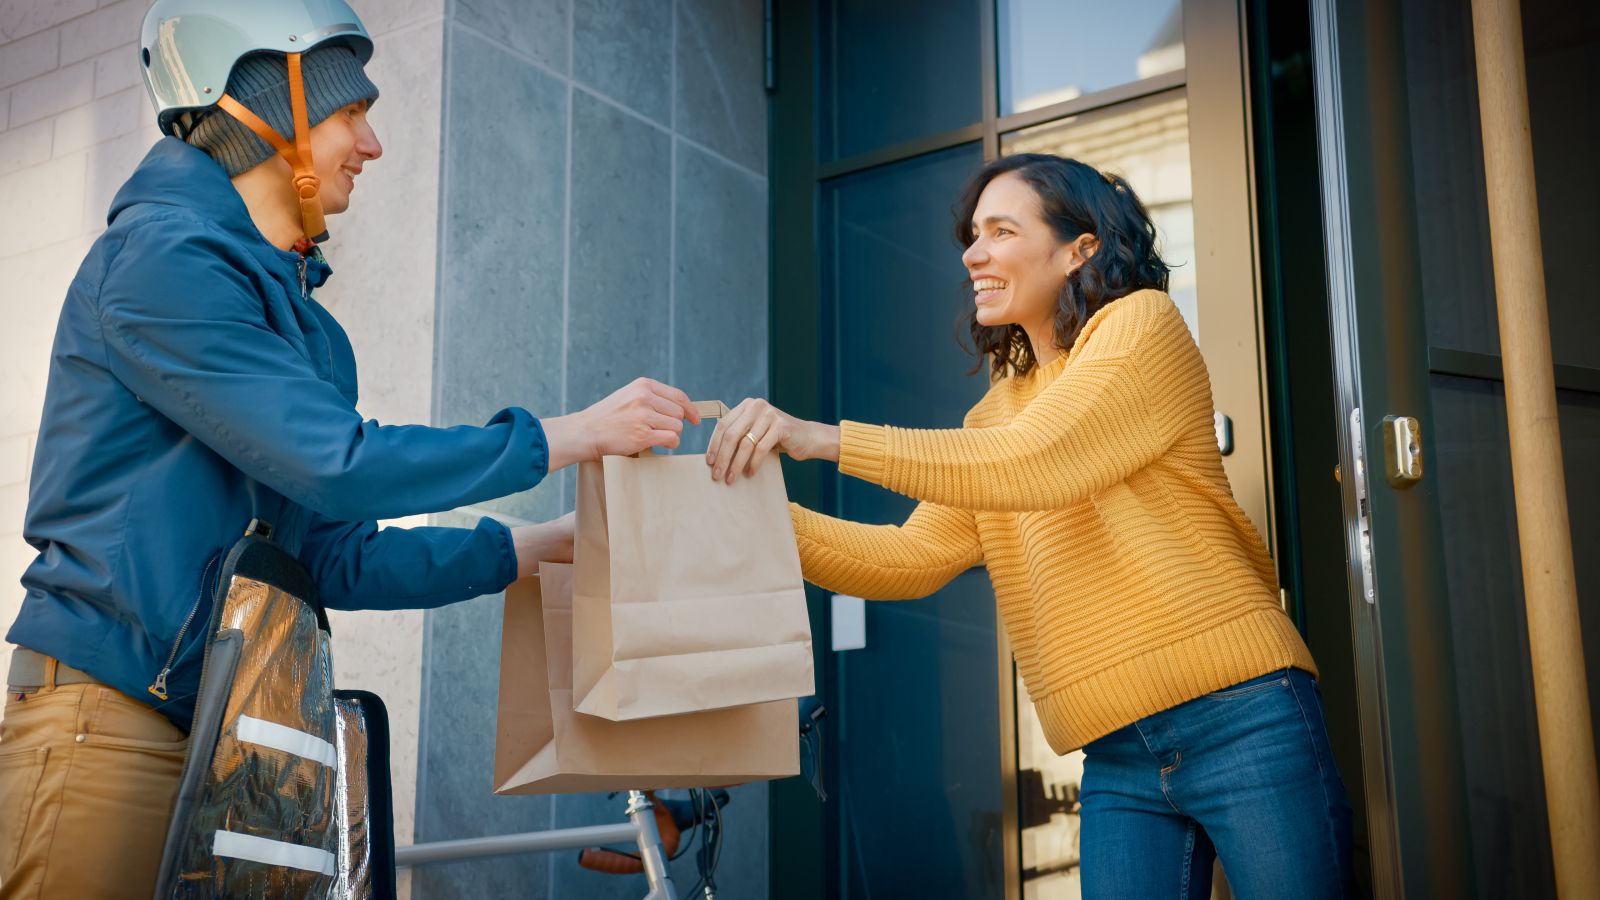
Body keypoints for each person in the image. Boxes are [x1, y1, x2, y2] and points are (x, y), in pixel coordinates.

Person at [0, 2, 699, 898]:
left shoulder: (307, 332)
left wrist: (536, 546)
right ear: (267, 107)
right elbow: (339, 459)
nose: (372, 145)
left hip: (229, 736)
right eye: (349, 114)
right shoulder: (158, 263)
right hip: (111, 721)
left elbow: (331, 554)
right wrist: (568, 435)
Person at [705, 153, 1352, 898]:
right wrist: (747, 516)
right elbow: (908, 557)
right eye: (971, 235)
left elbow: (1039, 458)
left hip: (1242, 717)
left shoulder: (1143, 326)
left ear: (1079, 249)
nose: (972, 253)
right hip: (1118, 751)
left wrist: (821, 438)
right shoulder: (996, 415)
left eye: (1001, 230)